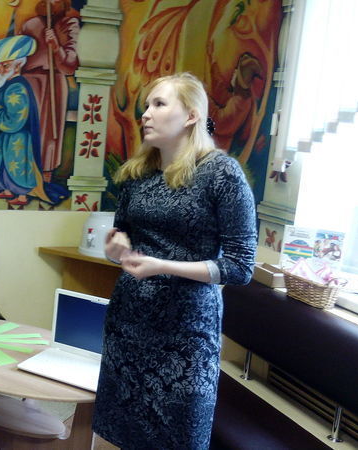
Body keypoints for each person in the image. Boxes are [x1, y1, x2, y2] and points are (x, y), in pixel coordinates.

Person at [93, 72, 257, 448]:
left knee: (178, 438)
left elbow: (240, 266)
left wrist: (163, 266)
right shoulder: (136, 174)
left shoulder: (220, 173)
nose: (146, 114)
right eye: (146, 106)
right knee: (121, 433)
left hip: (186, 333)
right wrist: (117, 249)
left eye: (159, 104)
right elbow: (124, 239)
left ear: (191, 115)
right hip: (128, 324)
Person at [0, 34, 49, 207]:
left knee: (17, 166)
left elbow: (12, 122)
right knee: (2, 164)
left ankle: (22, 196)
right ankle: (7, 190)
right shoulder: (7, 85)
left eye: (5, 65)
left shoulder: (17, 88)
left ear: (18, 65)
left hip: (18, 138)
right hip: (8, 137)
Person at [19, 0, 80, 182]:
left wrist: (55, 46)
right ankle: (21, 178)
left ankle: (45, 179)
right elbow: (18, 55)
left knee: (49, 133)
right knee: (25, 129)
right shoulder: (30, 25)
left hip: (54, 82)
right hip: (29, 82)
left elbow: (70, 66)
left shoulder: (69, 24)